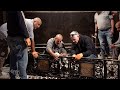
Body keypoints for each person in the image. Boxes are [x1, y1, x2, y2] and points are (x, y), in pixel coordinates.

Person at [6, 11, 32, 79]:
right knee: (22, 62)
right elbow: (21, 23)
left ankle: (12, 76)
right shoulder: (18, 11)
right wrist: (27, 36)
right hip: (18, 39)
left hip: (10, 38)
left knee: (13, 60)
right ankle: (23, 77)